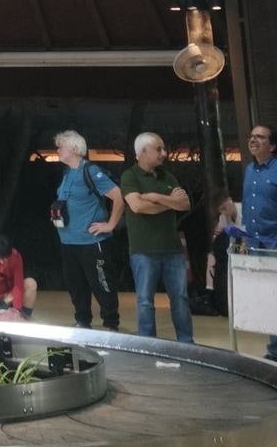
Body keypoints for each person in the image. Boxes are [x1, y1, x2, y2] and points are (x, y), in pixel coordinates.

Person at [223, 123, 277, 363]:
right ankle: (276, 352)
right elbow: (250, 208)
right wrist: (245, 238)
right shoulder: (250, 170)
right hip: (256, 244)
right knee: (270, 299)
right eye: (251, 136)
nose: (253, 140)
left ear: (272, 145)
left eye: (260, 137)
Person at [119, 132, 194, 344]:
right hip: (144, 250)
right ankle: (148, 344)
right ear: (143, 151)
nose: (164, 153)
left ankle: (186, 343)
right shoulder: (130, 176)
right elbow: (138, 206)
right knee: (145, 301)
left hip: (172, 249)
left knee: (180, 299)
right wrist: (170, 202)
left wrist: (156, 197)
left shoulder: (167, 176)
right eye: (158, 149)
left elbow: (185, 204)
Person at [52, 130, 123, 330]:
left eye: (61, 147)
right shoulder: (67, 173)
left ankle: (110, 323)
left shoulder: (91, 171)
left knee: (101, 282)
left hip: (91, 241)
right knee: (76, 285)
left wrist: (110, 224)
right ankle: (83, 320)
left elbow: (118, 196)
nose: (57, 150)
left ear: (75, 148)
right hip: (68, 240)